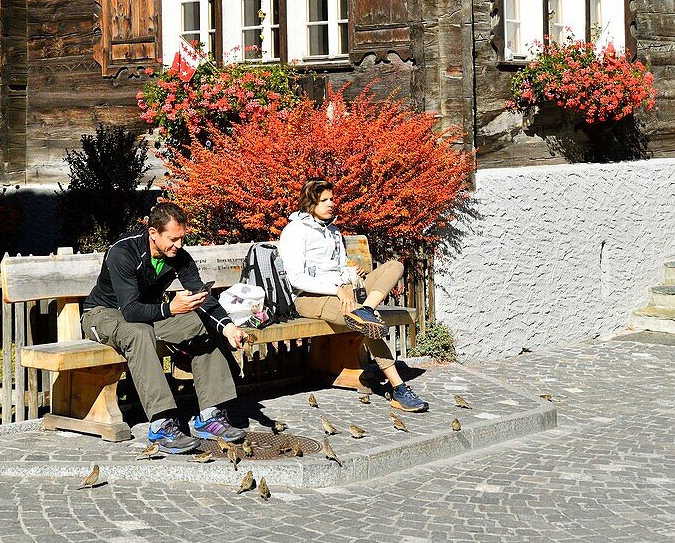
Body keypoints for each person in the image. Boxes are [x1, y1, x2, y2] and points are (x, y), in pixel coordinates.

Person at [82, 202, 247, 453]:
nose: (179, 245)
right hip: (103, 314)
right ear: (153, 233)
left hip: (147, 314)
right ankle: (161, 423)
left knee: (201, 323)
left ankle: (210, 416)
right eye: (172, 239)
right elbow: (130, 311)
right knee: (139, 332)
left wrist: (228, 328)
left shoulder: (178, 256)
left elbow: (202, 297)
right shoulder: (123, 253)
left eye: (182, 238)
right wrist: (170, 309)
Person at [279, 179, 428, 412]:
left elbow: (337, 269)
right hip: (310, 298)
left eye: (332, 199)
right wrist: (337, 289)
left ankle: (366, 309)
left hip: (345, 292)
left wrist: (351, 273)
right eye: (324, 200)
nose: (331, 204)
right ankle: (398, 388)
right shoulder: (295, 231)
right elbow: (296, 278)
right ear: (311, 202)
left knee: (394, 267)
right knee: (367, 325)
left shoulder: (334, 231)